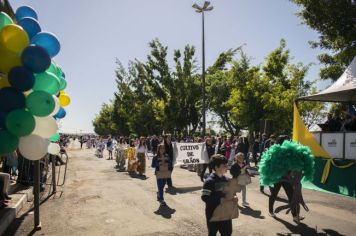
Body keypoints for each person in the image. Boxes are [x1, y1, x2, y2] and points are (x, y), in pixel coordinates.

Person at [202, 154, 233, 236]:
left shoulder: (227, 180)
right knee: (212, 232)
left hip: (226, 213)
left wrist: (234, 197)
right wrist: (220, 199)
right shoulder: (209, 181)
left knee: (227, 232)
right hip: (213, 213)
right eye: (224, 165)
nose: (227, 167)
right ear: (216, 167)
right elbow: (205, 197)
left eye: (227, 165)